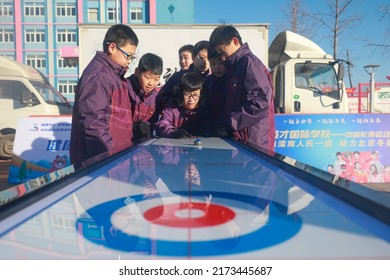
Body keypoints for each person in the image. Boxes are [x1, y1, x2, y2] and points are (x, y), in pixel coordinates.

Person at [70, 24, 139, 169]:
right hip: (102, 165)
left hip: (117, 160)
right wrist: (108, 159)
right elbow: (93, 122)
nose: (129, 61)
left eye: (132, 57)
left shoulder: (115, 76)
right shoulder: (98, 75)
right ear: (112, 48)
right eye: (128, 55)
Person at [209, 24, 275, 152]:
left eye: (222, 51)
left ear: (235, 41)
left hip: (253, 139)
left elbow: (260, 102)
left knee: (254, 171)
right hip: (240, 137)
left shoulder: (249, 63)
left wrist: (229, 123)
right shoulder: (234, 66)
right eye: (218, 53)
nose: (221, 57)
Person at [156, 40, 211, 116]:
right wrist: (177, 104)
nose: (205, 62)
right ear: (193, 57)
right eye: (201, 58)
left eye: (208, 59)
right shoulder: (178, 77)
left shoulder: (212, 80)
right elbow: (162, 96)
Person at [155, 72, 209, 138]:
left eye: (195, 95)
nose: (191, 99)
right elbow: (162, 124)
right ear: (180, 94)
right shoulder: (172, 108)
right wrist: (173, 133)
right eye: (187, 94)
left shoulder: (204, 110)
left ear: (201, 95)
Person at [128, 53, 163, 144]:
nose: (151, 83)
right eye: (147, 77)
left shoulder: (156, 97)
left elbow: (152, 121)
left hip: (142, 145)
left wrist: (146, 126)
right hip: (122, 143)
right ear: (136, 72)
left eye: (156, 79)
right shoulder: (125, 88)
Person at [203, 48, 227, 132]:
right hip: (211, 128)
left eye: (221, 63)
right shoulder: (207, 82)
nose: (217, 67)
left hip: (229, 128)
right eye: (212, 64)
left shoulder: (233, 80)